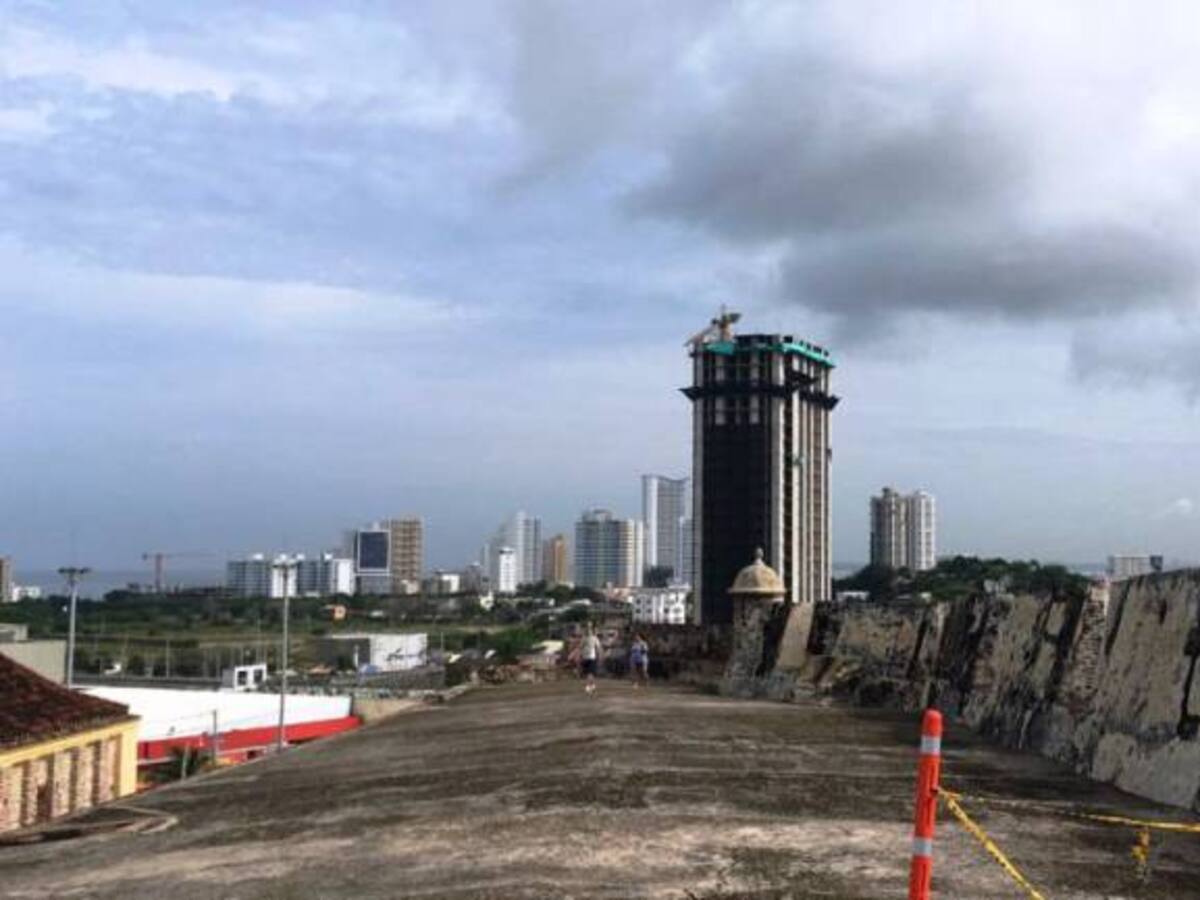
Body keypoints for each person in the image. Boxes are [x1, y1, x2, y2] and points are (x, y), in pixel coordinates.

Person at [580, 625, 602, 695]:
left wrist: (599, 656)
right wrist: (580, 655)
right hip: (585, 657)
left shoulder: (595, 638)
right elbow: (581, 647)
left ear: (592, 631)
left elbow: (598, 648)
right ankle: (592, 686)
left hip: (592, 657)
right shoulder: (584, 638)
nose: (588, 631)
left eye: (590, 629)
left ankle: (588, 687)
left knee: (590, 673)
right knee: (588, 673)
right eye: (587, 629)